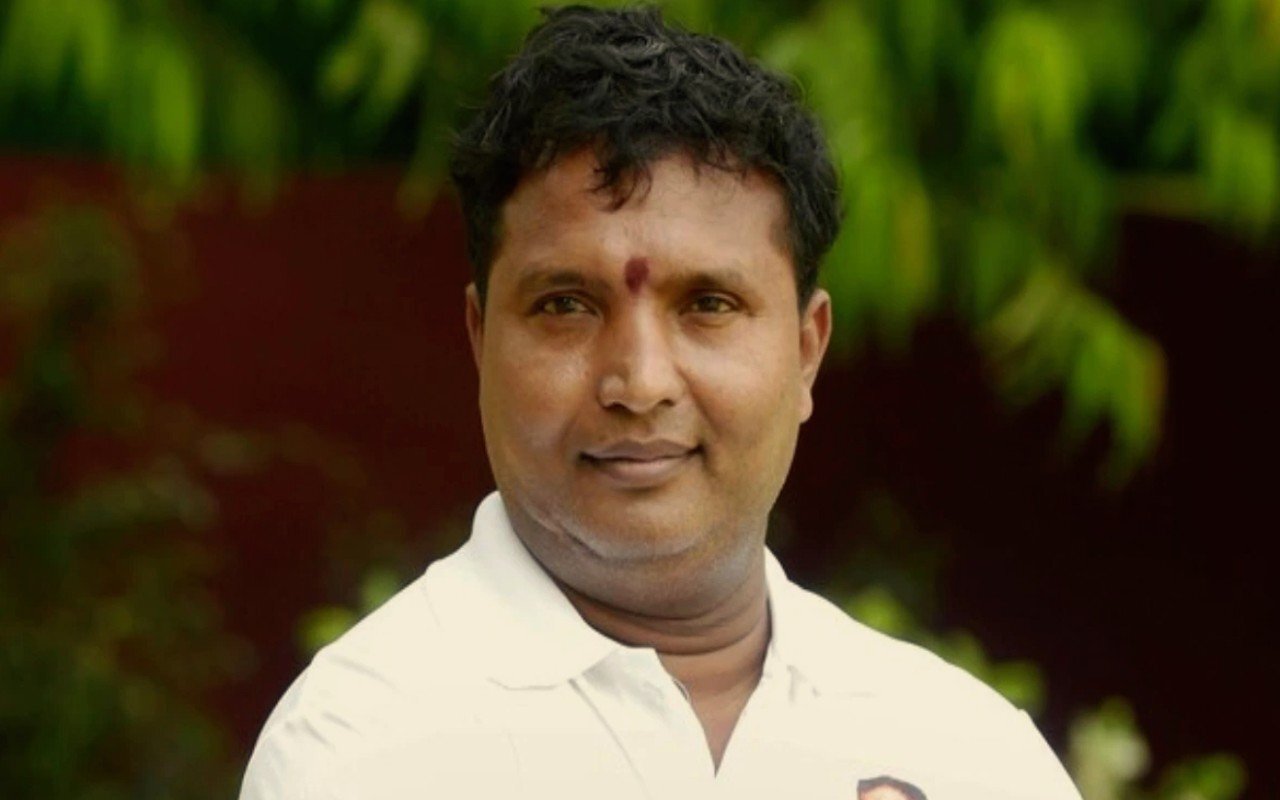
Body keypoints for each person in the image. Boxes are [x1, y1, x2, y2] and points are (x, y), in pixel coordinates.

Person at [240, 6, 1083, 799]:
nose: (640, 384)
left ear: (805, 351)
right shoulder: (364, 751)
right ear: (480, 339)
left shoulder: (968, 755)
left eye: (709, 304)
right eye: (566, 304)